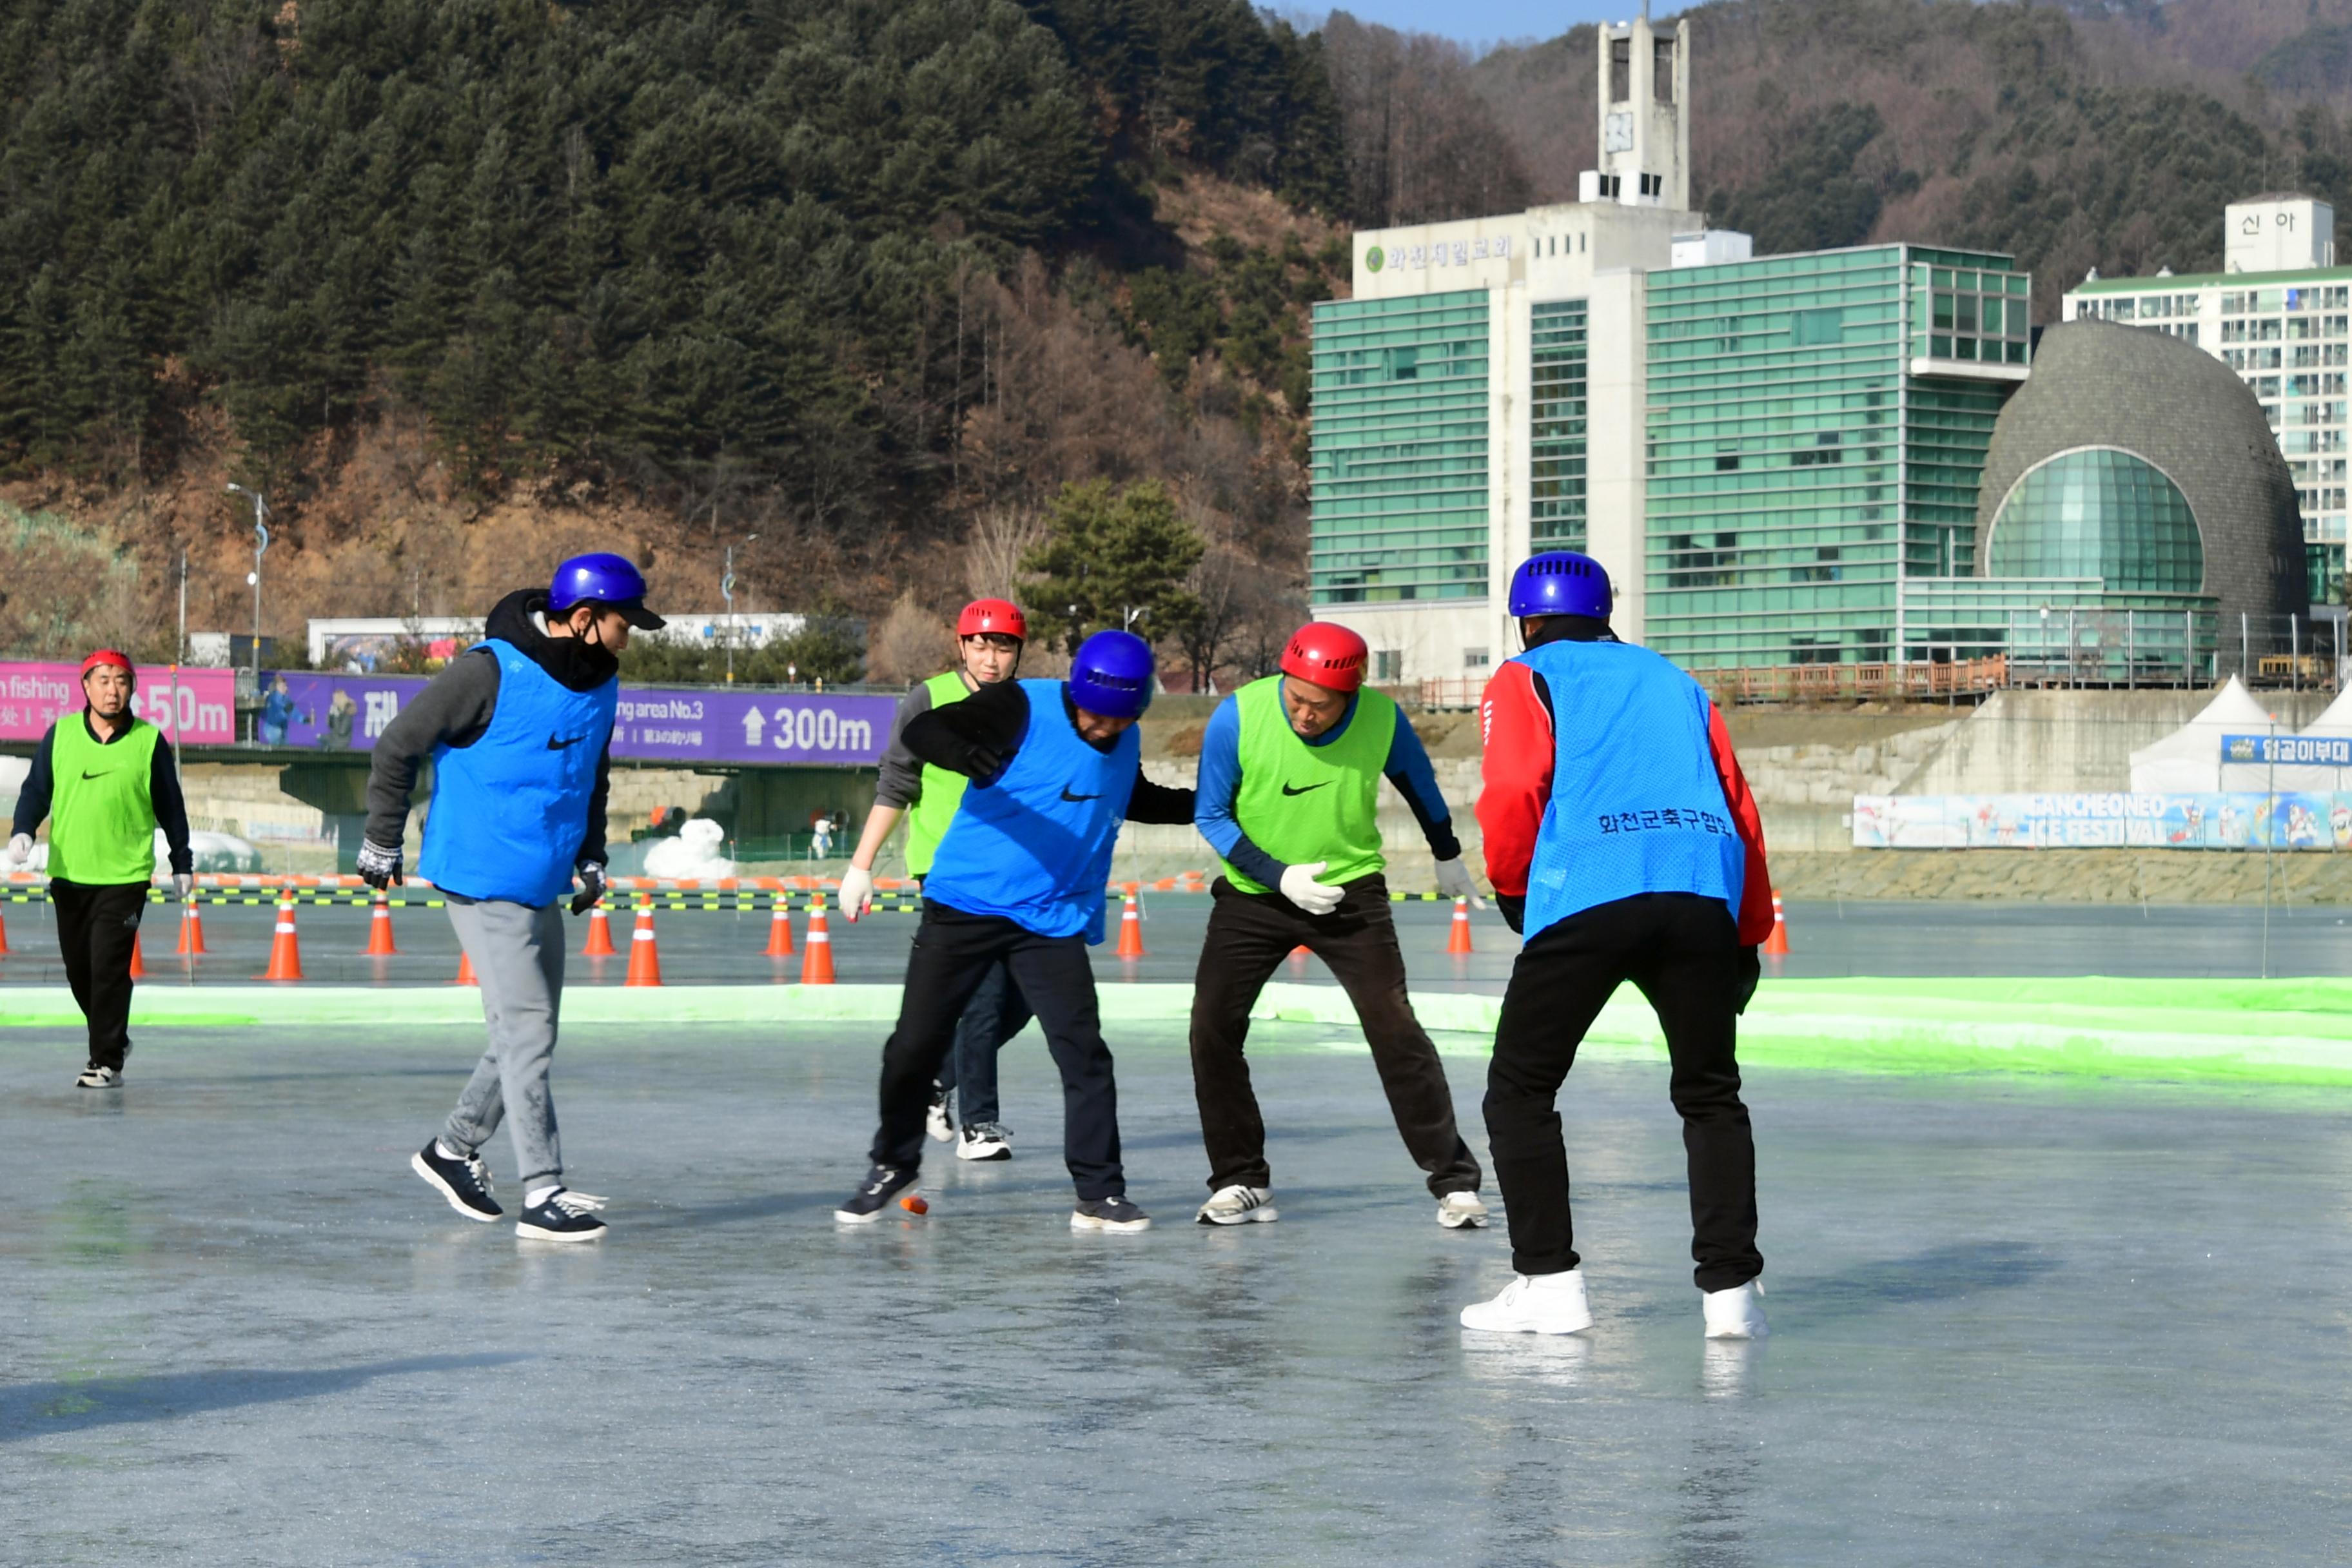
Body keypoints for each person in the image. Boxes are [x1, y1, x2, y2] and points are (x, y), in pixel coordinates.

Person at [1458, 551, 1774, 1340]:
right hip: (1700, 889)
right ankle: (1731, 1296)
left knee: (1521, 1090)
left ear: (1527, 620)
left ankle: (1549, 1284)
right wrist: (1747, 932)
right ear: (1606, 613)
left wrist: (1511, 888)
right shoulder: (1679, 682)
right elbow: (1740, 804)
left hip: (1589, 893)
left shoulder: (1525, 675)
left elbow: (1512, 789)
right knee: (1710, 1094)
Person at [834, 629, 1193, 1232]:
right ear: (1076, 691)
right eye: (1096, 716)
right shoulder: (1021, 704)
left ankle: (1100, 1193)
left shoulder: (1123, 734)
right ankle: (893, 1163)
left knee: (1084, 1054)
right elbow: (925, 733)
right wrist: (966, 754)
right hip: (965, 905)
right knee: (913, 1045)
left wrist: (1211, 799)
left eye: (1121, 719)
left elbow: (1131, 795)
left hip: (1050, 920)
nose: (1105, 729)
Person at [358, 553, 663, 1244]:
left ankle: (452, 1148)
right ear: (584, 619)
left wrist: (590, 856)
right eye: (625, 623)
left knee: (529, 1030)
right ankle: (543, 1188)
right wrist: (383, 838)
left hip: (541, 879)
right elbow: (399, 743)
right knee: (527, 1030)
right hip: (480, 873)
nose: (630, 636)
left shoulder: (602, 682)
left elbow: (592, 776)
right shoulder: (488, 670)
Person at [1187, 621, 1491, 1230]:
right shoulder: (1238, 716)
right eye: (1294, 698)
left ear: (1349, 694)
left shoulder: (1381, 719)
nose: (1303, 714)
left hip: (1351, 894)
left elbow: (1420, 784)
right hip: (1254, 895)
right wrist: (1279, 876)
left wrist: (1447, 852)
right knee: (1212, 1029)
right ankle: (1241, 1179)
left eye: (1319, 706)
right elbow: (1212, 815)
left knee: (1395, 1029)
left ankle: (1454, 1182)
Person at [838, 598, 1032, 1164]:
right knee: (988, 997)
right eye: (980, 644)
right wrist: (861, 865)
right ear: (961, 645)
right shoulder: (930, 699)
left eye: (1003, 647)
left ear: (1018, 653)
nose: (991, 658)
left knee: (1024, 1000)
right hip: (948, 868)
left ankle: (937, 1081)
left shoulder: (1026, 705)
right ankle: (980, 1125)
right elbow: (897, 782)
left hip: (1014, 868)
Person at [8, 650, 193, 1088]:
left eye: (122, 681)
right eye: (104, 680)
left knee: (109, 965)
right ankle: (114, 1033)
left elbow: (171, 806)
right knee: (80, 972)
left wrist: (181, 861)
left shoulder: (149, 741)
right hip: (70, 874)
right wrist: (22, 831)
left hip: (125, 877)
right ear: (86, 686)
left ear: (133, 688)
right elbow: (36, 791)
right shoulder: (62, 736)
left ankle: (105, 1060)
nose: (113, 690)